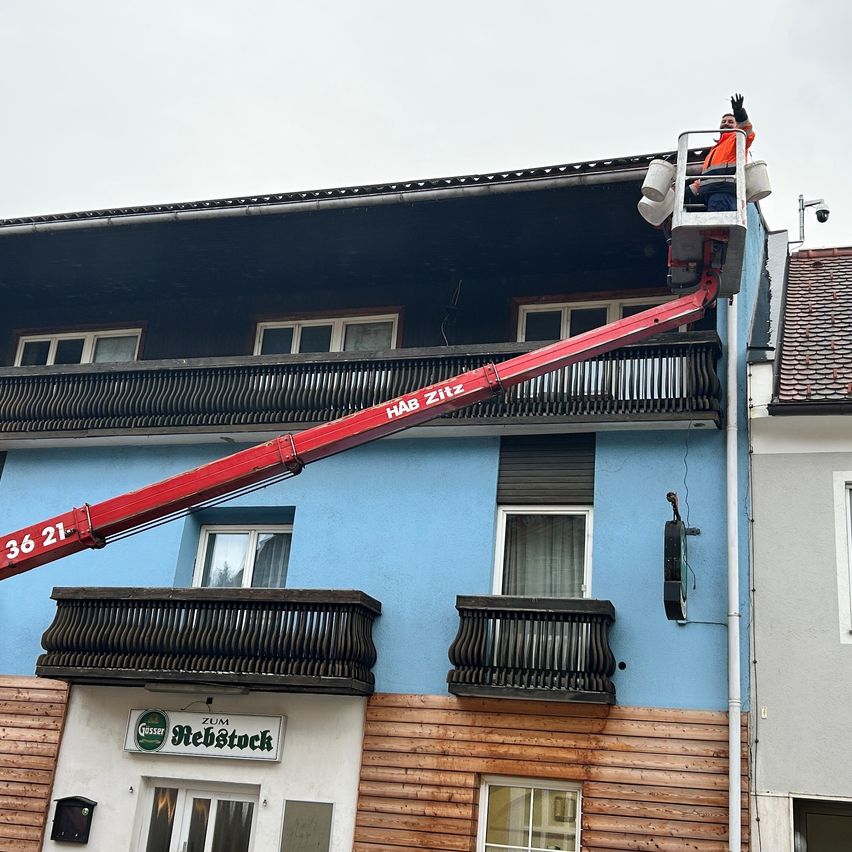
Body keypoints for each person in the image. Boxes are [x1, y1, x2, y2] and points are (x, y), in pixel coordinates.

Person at [690, 93, 755, 211]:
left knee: (717, 229)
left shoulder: (738, 139)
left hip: (724, 194)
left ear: (737, 125)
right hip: (711, 196)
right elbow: (709, 177)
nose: (726, 123)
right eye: (724, 121)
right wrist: (686, 191)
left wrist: (739, 112)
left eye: (731, 122)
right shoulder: (714, 150)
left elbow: (747, 131)